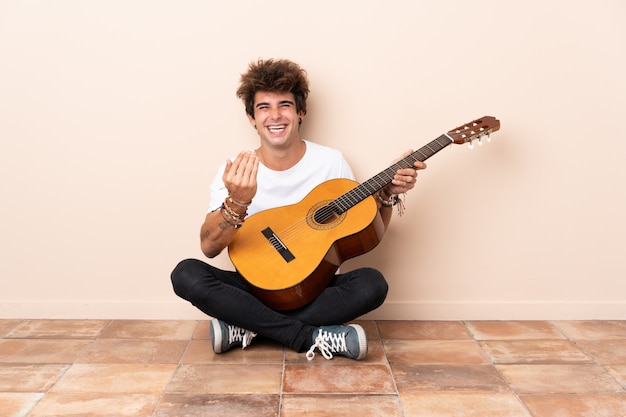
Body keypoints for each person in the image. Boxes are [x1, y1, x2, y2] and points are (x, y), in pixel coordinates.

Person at [171, 58, 426, 360]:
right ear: (251, 117)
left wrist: (385, 195)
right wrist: (237, 202)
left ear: (301, 111)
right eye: (264, 107)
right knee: (186, 274)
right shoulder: (235, 170)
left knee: (372, 284)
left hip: (313, 288)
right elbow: (209, 247)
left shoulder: (331, 162)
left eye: (285, 105)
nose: (275, 116)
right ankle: (308, 337)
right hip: (253, 288)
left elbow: (365, 232)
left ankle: (248, 328)